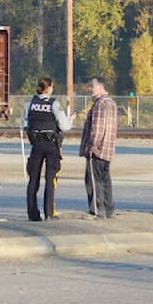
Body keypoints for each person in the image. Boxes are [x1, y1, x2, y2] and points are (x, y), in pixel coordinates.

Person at [21, 77, 71, 221]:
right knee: (50, 179)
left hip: (36, 145)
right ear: (48, 88)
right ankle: (49, 212)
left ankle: (32, 214)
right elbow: (64, 126)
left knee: (33, 180)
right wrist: (70, 119)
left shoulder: (30, 104)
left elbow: (25, 124)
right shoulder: (54, 104)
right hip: (51, 145)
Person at [78, 76, 117, 219]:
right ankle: (109, 209)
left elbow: (97, 128)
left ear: (101, 86)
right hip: (108, 149)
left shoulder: (100, 104)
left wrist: (91, 146)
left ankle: (97, 209)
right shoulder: (111, 103)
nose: (89, 89)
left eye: (92, 86)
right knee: (105, 179)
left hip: (97, 150)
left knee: (93, 181)